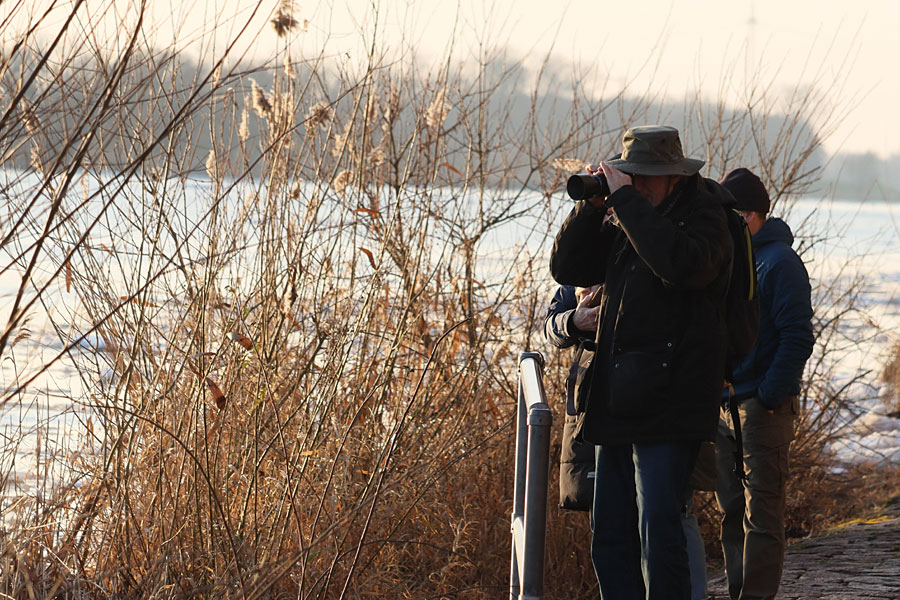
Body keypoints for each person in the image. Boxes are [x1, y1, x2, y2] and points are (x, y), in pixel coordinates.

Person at [550, 125, 733, 599]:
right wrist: (590, 209)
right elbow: (567, 270)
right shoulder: (625, 215)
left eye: (647, 177)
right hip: (617, 400)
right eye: (631, 176)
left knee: (659, 531)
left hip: (672, 406)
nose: (638, 185)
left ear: (675, 177)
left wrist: (626, 205)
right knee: (609, 534)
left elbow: (679, 265)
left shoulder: (707, 217)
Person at [544, 283, 710, 600]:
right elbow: (552, 324)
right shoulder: (589, 254)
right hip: (599, 407)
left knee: (671, 515)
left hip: (661, 403)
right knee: (608, 523)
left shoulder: (666, 243)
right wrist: (575, 320)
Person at [715, 168, 815, 600]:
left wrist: (769, 394)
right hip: (725, 405)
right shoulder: (734, 258)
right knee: (732, 511)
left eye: (728, 214)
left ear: (750, 215)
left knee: (762, 516)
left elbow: (797, 336)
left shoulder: (781, 263)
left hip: (762, 407)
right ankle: (738, 592)